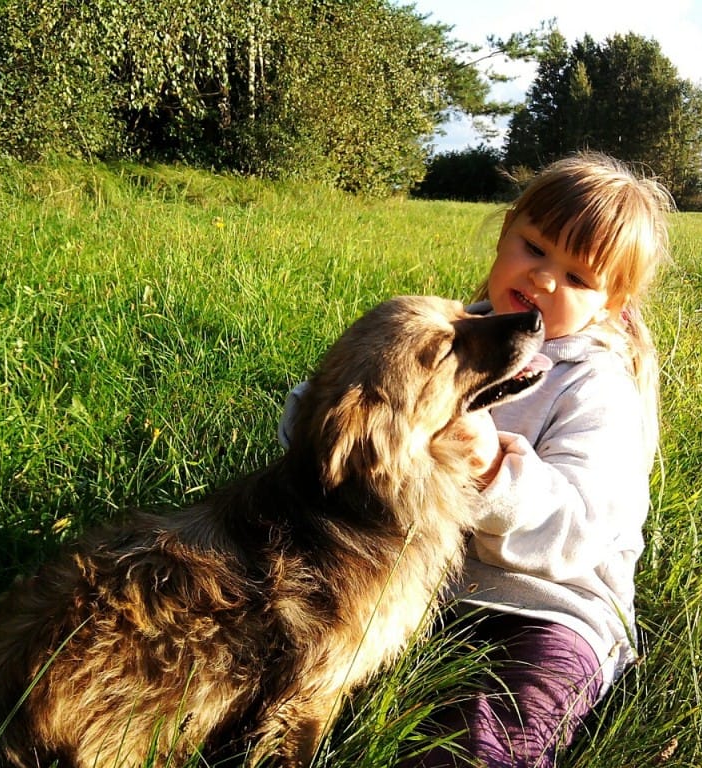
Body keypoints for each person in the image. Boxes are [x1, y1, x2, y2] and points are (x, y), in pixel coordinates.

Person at [280, 152, 673, 768]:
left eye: (577, 278)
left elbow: (582, 533)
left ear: (611, 302)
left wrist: (494, 470)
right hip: (418, 591)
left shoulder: (597, 390)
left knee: (484, 735)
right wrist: (331, 425)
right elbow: (344, 405)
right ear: (505, 230)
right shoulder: (459, 331)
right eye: (535, 247)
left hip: (544, 610)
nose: (545, 279)